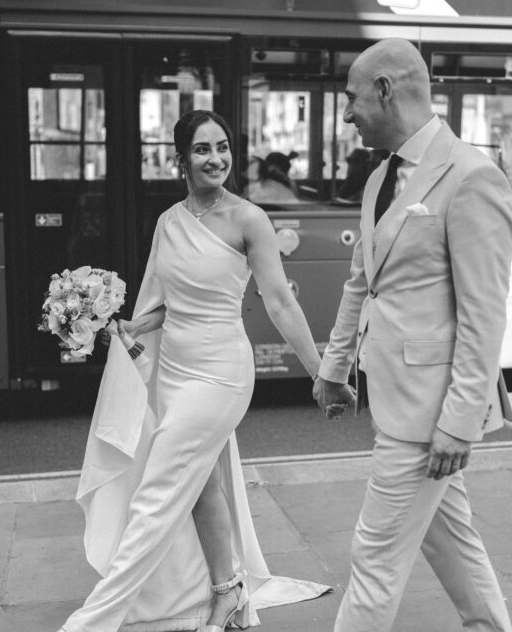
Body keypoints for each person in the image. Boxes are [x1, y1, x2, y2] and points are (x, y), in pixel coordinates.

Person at [59, 110, 329, 632]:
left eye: (222, 147)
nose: (216, 158)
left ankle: (93, 621)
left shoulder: (249, 219)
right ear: (181, 160)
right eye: (203, 149)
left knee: (155, 497)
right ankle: (228, 596)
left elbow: (279, 302)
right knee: (202, 487)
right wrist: (129, 325)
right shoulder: (168, 221)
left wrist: (320, 372)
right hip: (175, 373)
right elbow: (167, 304)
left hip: (220, 375)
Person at [313, 39, 512, 632]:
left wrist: (460, 421)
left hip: (430, 416)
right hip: (395, 397)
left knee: (374, 556)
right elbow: (362, 282)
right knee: (452, 542)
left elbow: (484, 314)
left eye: (351, 99)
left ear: (384, 91)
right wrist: (334, 367)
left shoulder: (473, 176)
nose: (346, 114)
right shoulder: (380, 177)